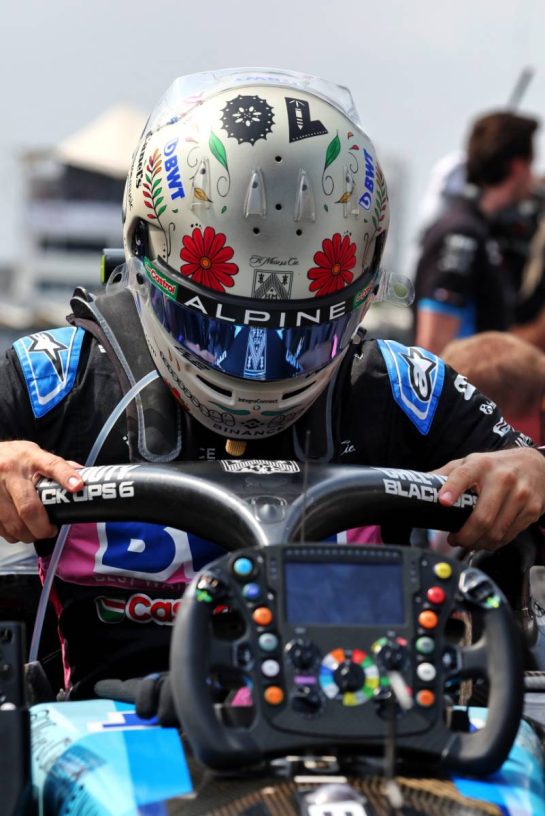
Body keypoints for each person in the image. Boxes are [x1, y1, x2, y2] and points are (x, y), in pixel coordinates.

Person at [1, 68, 545, 700]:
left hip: (360, 747)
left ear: (363, 292)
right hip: (104, 742)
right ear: (144, 254)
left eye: (301, 333)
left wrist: (528, 471)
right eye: (218, 325)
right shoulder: (56, 377)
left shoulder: (398, 386)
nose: (255, 367)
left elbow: (528, 471)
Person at [413, 110, 539, 354]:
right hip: (457, 391)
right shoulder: (462, 234)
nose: (533, 177)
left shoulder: (483, 231)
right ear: (517, 167)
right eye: (531, 165)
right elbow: (432, 350)